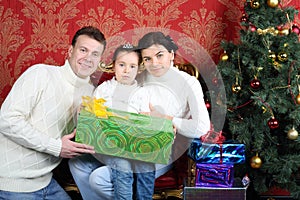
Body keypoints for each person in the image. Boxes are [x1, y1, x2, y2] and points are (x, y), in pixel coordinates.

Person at [69, 31, 211, 199]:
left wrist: (168, 120)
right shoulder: (136, 76)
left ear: (171, 54)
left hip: (157, 149)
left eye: (160, 55)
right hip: (118, 140)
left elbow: (201, 127)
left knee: (99, 179)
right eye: (147, 59)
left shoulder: (189, 83)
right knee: (77, 164)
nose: (155, 63)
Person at [0, 26, 106, 200]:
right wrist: (56, 147)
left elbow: (84, 137)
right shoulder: (41, 74)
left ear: (100, 59)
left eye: (95, 54)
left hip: (46, 183)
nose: (88, 58)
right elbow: (7, 120)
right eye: (83, 50)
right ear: (70, 51)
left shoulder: (91, 93)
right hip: (12, 184)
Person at [69, 44, 157, 200]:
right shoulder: (104, 89)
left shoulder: (142, 92)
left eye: (132, 66)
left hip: (133, 142)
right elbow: (94, 118)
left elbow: (144, 121)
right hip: (110, 144)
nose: (126, 71)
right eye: (122, 65)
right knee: (122, 166)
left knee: (146, 164)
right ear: (114, 65)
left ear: (138, 69)